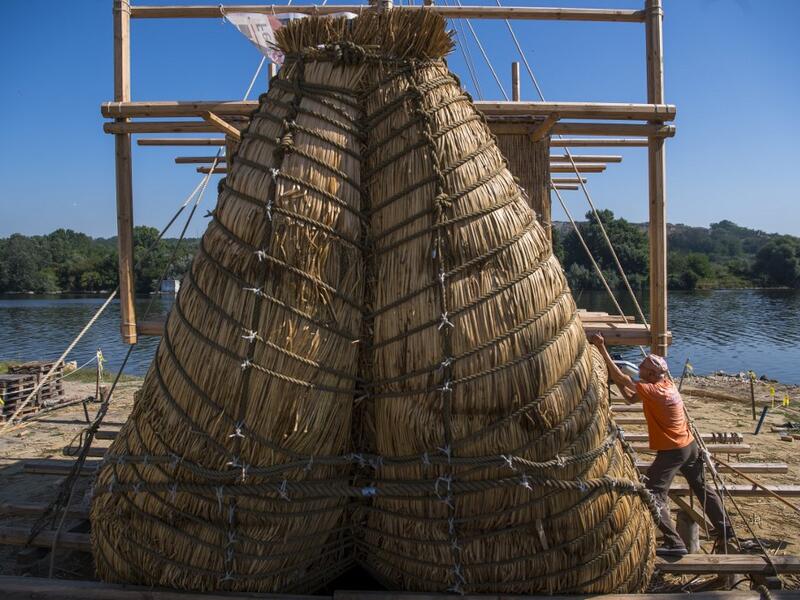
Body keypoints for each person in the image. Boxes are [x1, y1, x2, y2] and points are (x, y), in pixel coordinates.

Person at [589, 333, 735, 556]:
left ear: (651, 374)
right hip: (689, 446)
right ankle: (726, 530)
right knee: (702, 487)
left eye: (643, 369)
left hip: (673, 450)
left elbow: (622, 378)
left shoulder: (654, 390)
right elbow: (630, 398)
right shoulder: (666, 385)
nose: (639, 369)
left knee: (653, 491)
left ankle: (674, 543)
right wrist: (621, 381)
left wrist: (601, 348)